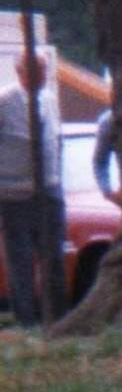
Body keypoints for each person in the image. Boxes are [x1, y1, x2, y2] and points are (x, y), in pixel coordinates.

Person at [0, 51, 66, 327]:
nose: (42, 76)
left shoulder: (50, 99)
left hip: (49, 191)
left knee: (53, 257)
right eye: (36, 71)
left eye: (45, 70)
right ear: (20, 72)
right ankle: (27, 322)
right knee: (22, 261)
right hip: (15, 196)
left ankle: (58, 318)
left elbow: (56, 140)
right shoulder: (5, 102)